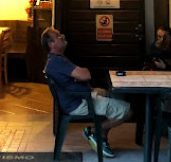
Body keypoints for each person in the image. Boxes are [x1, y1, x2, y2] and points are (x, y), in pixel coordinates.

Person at [42, 27, 133, 158]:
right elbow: (86, 75)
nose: (62, 36)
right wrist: (80, 73)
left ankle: (101, 138)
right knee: (128, 111)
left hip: (80, 97)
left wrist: (78, 75)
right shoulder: (57, 62)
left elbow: (80, 75)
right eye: (58, 36)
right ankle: (93, 131)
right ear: (51, 44)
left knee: (109, 94)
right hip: (80, 102)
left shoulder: (56, 60)